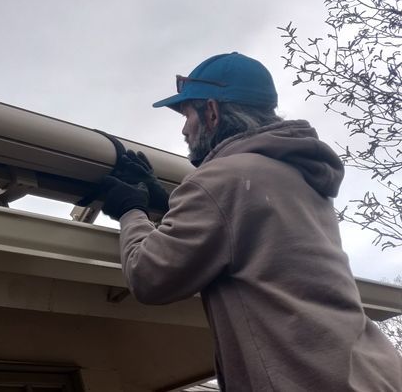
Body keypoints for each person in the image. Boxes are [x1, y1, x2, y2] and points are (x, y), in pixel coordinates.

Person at [99, 52, 402, 391]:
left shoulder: (222, 178)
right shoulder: (298, 177)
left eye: (187, 115)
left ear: (212, 112)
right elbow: (238, 228)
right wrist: (166, 202)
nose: (184, 129)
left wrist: (131, 211)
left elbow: (149, 276)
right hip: (372, 374)